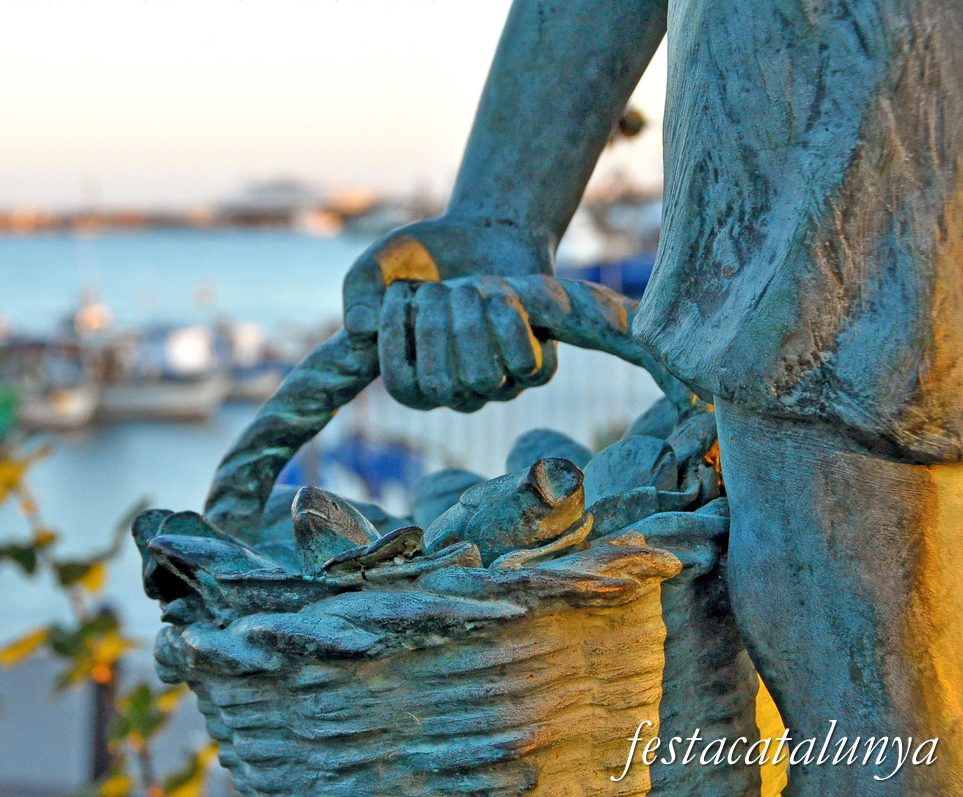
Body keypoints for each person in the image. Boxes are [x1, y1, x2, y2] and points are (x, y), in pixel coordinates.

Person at [342, 1, 963, 793]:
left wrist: (504, 208)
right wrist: (502, 210)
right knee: (885, 739)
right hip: (837, 198)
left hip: (843, 195)